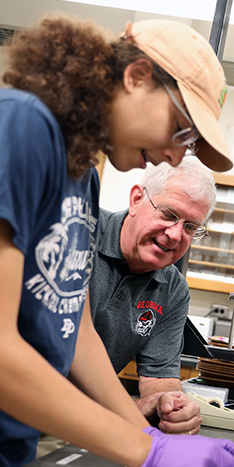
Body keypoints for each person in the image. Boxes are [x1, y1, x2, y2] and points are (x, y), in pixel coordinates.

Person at [0, 16, 234, 467]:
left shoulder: (81, 176)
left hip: (7, 454)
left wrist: (147, 434)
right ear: (137, 76)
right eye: (181, 129)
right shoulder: (15, 123)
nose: (173, 151)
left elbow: (72, 329)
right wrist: (146, 451)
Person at [91, 157, 216, 435]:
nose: (174, 234)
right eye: (169, 214)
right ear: (136, 199)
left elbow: (160, 378)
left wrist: (170, 404)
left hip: (86, 422)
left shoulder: (172, 290)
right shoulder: (81, 234)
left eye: (190, 227)